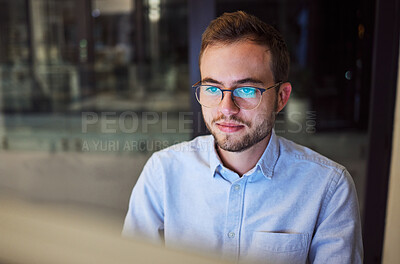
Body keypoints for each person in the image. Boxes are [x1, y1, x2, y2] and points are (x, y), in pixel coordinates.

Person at [123, 11, 363, 264]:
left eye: (247, 89)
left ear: (281, 97)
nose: (226, 108)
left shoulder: (328, 188)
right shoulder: (162, 173)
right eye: (213, 88)